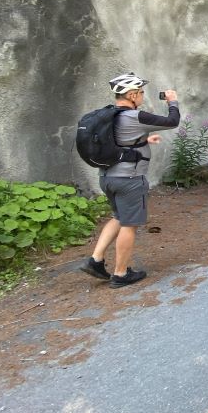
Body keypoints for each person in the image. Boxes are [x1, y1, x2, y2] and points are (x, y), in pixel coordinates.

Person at [79, 72, 180, 288]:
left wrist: (143, 139)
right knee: (129, 224)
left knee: (117, 217)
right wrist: (173, 102)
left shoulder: (109, 115)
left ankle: (95, 260)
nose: (143, 96)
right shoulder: (136, 116)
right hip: (129, 180)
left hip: (108, 177)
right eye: (141, 93)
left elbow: (120, 139)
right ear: (132, 95)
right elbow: (173, 121)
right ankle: (121, 273)